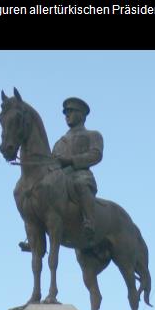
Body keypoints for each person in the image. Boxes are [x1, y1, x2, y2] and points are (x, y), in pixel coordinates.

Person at [51, 97, 103, 247]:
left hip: (80, 174)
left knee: (80, 184)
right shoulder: (59, 142)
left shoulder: (93, 135)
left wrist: (70, 160)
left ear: (82, 115)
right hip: (60, 179)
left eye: (71, 111)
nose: (67, 115)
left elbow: (96, 155)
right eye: (66, 112)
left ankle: (89, 221)